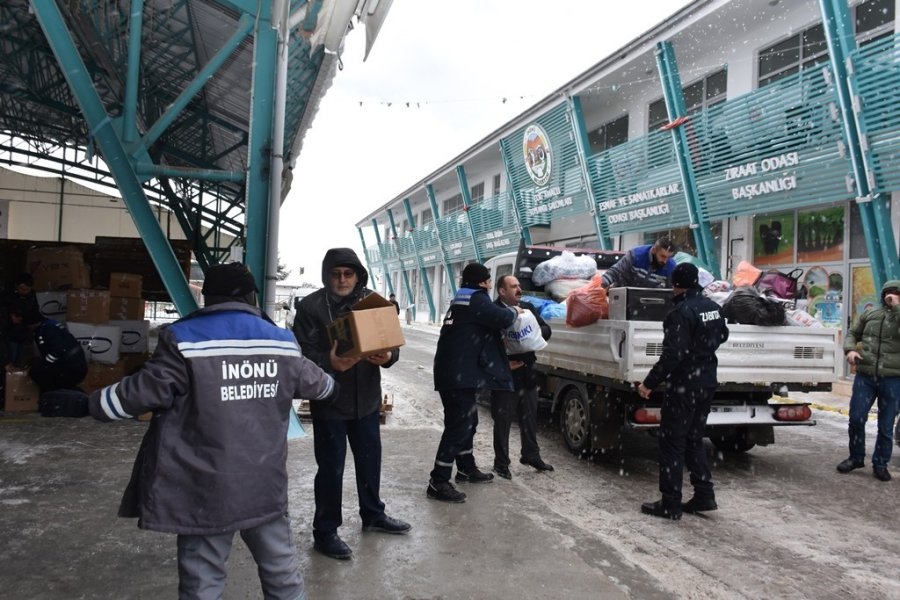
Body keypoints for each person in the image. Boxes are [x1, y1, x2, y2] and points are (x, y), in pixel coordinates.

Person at [88, 262, 338, 599]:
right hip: (263, 485)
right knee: (281, 572)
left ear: (207, 299)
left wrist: (87, 403)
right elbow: (322, 387)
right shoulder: (282, 343)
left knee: (203, 581)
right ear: (253, 296)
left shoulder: (183, 339)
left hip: (205, 491)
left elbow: (136, 396)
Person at [293, 248, 410, 560]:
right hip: (330, 400)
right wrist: (328, 361)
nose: (342, 279)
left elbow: (391, 343)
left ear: (358, 275)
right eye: (336, 274)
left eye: (348, 273)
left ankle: (373, 515)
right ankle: (325, 531)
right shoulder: (311, 306)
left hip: (368, 401)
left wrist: (388, 356)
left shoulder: (373, 302)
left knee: (370, 461)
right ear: (326, 275)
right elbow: (299, 355)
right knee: (330, 468)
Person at [637, 263, 729, 520]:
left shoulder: (681, 312)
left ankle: (670, 503)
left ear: (675, 284)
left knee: (672, 443)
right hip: (707, 381)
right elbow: (722, 335)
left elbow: (673, 355)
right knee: (694, 439)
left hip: (684, 386)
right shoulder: (712, 307)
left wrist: (649, 383)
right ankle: (704, 495)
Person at [427, 263, 522, 503]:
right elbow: (501, 317)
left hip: (454, 371)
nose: (490, 284)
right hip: (458, 374)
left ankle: (466, 467)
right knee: (459, 424)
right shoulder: (477, 299)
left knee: (468, 421)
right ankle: (438, 480)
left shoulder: (462, 299)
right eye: (489, 281)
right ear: (484, 282)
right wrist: (515, 312)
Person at [837, 280, 900, 482]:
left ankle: (880, 464)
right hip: (866, 376)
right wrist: (850, 349)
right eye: (888, 292)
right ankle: (856, 457)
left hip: (893, 378)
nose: (891, 296)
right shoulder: (871, 313)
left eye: (896, 293)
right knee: (856, 418)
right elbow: (853, 333)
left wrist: (897, 306)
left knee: (886, 425)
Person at [491, 275, 553, 479]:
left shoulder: (527, 308)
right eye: (513, 286)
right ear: (502, 291)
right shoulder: (494, 311)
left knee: (529, 416)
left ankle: (530, 455)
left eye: (519, 286)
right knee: (503, 419)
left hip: (527, 370)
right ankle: (501, 463)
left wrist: (531, 338)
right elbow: (484, 344)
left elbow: (546, 329)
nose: (519, 289)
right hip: (504, 374)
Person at [24, 313, 87, 394]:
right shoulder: (51, 324)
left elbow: (56, 351)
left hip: (71, 369)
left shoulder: (46, 330)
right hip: (77, 365)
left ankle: (51, 397)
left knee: (37, 373)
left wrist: (45, 364)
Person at [601, 237, 678, 289]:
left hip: (649, 303)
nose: (665, 261)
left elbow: (671, 290)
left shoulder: (671, 267)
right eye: (663, 256)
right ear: (654, 250)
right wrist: (599, 287)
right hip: (623, 294)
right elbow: (615, 272)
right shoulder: (635, 255)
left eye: (669, 257)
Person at [2, 273, 41, 367]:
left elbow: (35, 309)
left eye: (28, 289)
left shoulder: (31, 295)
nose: (25, 292)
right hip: (9, 332)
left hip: (24, 330)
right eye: (22, 289)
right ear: (16, 285)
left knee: (20, 359)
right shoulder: (6, 293)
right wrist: (10, 318)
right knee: (10, 357)